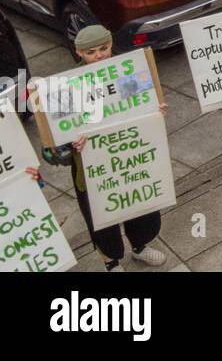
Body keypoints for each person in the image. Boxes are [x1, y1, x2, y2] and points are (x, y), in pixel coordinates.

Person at [35, 25, 168, 271]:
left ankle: (139, 247)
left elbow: (141, 108)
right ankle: (111, 261)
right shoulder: (66, 87)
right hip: (91, 169)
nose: (100, 55)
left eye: (104, 48)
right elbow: (54, 144)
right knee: (101, 219)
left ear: (111, 45)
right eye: (91, 51)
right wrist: (70, 142)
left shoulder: (128, 73)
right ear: (79, 52)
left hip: (130, 156)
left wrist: (154, 111)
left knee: (139, 206)